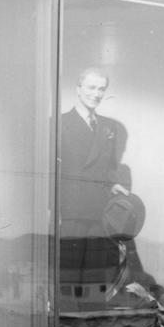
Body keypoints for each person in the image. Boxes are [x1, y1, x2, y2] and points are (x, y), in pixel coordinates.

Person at [57, 68, 151, 304]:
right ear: (78, 89)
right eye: (91, 88)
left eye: (101, 89)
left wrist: (113, 185)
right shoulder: (59, 123)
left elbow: (107, 168)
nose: (96, 94)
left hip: (100, 212)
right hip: (72, 212)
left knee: (94, 275)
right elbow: (53, 170)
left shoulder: (107, 127)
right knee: (69, 273)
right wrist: (56, 210)